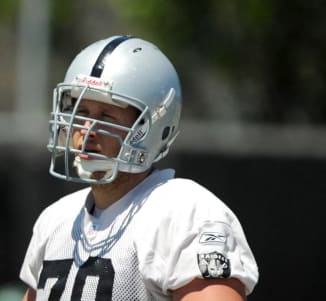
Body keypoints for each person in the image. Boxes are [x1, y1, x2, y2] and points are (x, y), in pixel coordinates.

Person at [19, 36, 259, 300]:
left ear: (149, 128)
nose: (86, 132)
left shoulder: (185, 214)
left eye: (106, 117)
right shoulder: (56, 220)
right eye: (82, 112)